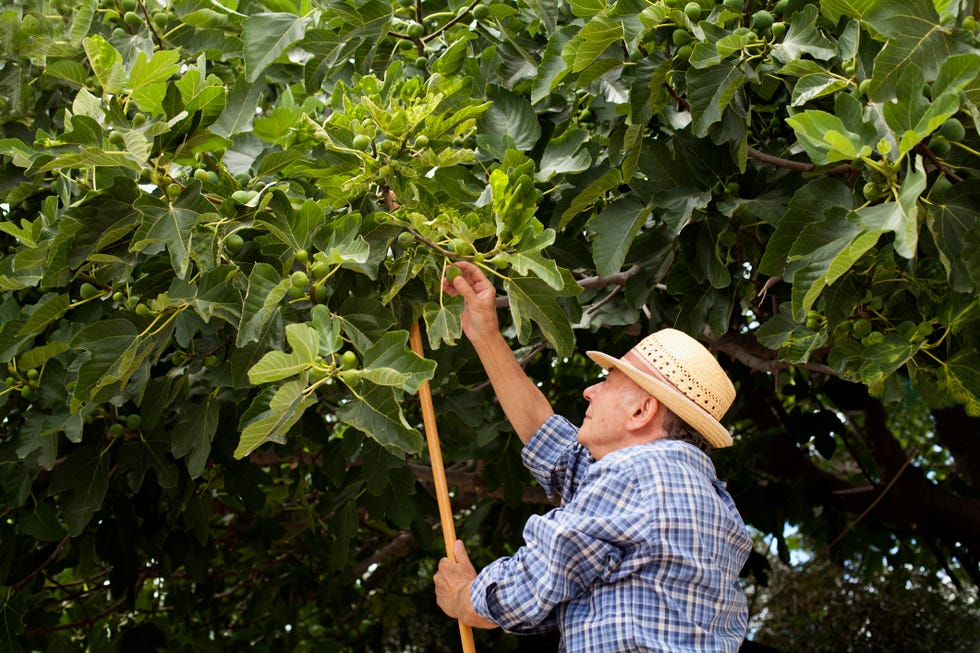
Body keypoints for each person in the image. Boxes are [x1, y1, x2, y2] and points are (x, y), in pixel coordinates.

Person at [432, 261, 752, 652]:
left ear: (641, 412)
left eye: (608, 383)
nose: (590, 391)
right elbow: (546, 436)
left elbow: (537, 581)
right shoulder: (705, 501)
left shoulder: (637, 475)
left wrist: (466, 597)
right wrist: (485, 334)